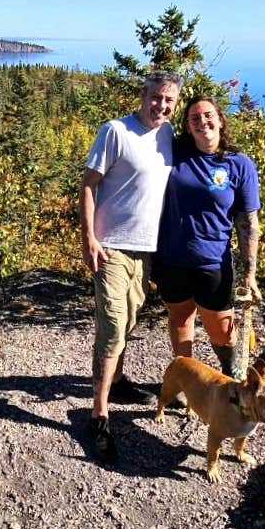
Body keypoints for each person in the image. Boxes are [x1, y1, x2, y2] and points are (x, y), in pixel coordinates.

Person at [80, 71, 182, 462]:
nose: (161, 105)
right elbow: (88, 184)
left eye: (169, 101)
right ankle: (99, 415)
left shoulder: (169, 136)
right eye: (156, 97)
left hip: (147, 250)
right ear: (144, 95)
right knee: (111, 326)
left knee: (129, 323)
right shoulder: (115, 131)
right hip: (111, 247)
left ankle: (118, 382)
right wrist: (88, 238)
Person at [152, 96, 261, 382]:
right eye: (194, 118)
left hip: (212, 262)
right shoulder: (174, 153)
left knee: (221, 329)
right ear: (188, 126)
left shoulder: (239, 165)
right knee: (179, 319)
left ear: (221, 119)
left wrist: (250, 274)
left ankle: (232, 378)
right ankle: (186, 380)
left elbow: (247, 222)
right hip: (170, 259)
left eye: (208, 115)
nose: (202, 122)